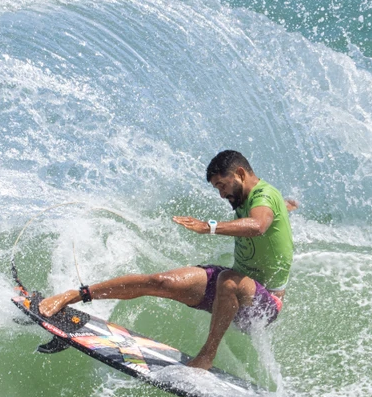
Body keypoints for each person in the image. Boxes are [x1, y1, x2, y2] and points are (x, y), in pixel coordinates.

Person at [39, 150, 296, 370]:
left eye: (222, 185)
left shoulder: (263, 195)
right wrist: (285, 206)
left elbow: (259, 225)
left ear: (240, 173)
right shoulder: (256, 198)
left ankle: (206, 357)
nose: (221, 194)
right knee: (161, 281)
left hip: (263, 305)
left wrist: (210, 227)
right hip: (239, 291)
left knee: (228, 280)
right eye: (217, 188)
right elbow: (267, 213)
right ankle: (75, 295)